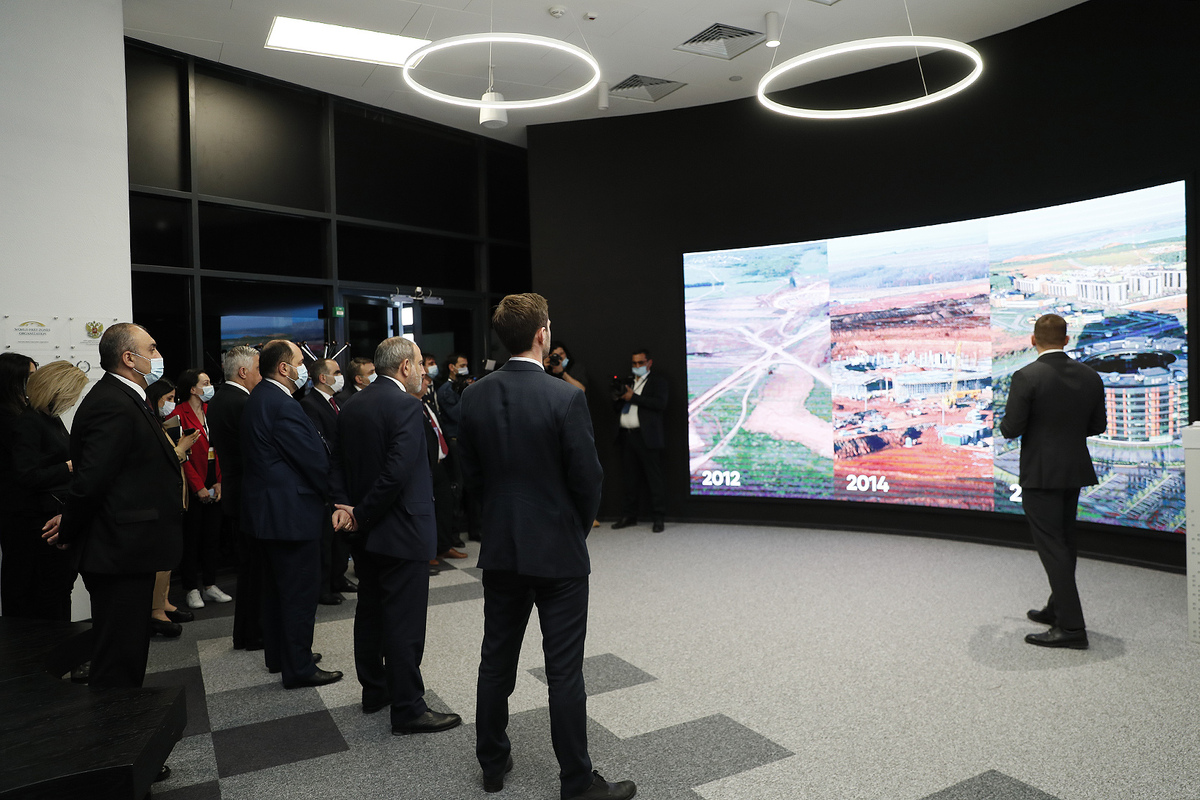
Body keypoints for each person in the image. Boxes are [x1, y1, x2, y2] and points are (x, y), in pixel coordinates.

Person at [459, 293, 634, 800]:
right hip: (558, 553)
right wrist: (573, 529)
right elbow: (589, 481)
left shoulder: (473, 396)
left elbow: (471, 478)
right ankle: (576, 783)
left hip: (501, 550)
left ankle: (492, 764)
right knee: (564, 673)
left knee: (495, 662)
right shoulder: (565, 397)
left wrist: (497, 522)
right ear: (542, 335)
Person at [43, 323, 185, 691]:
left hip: (129, 547)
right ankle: (112, 719)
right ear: (129, 358)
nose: (157, 356)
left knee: (128, 645)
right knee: (119, 652)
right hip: (118, 548)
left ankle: (123, 714)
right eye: (151, 349)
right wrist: (70, 527)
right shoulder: (112, 401)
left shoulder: (129, 397)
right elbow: (92, 480)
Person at [331, 336, 461, 734]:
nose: (423, 370)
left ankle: (375, 690)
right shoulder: (406, 405)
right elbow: (397, 472)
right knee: (404, 622)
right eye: (419, 363)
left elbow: (336, 464)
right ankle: (408, 709)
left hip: (365, 533)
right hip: (401, 530)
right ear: (405, 366)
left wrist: (347, 509)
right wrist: (362, 514)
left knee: (370, 611)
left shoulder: (352, 404)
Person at [999, 313, 1106, 650]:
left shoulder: (1026, 376)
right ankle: (1056, 608)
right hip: (1073, 470)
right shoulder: (1090, 375)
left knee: (1052, 547)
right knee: (1065, 541)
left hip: (1041, 473)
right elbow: (1098, 425)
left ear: (1033, 340)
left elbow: (1011, 428)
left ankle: (1072, 628)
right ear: (1066, 340)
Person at [241, 340, 343, 689]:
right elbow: (312, 459)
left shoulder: (260, 397)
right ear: (284, 368)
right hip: (291, 514)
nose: (305, 368)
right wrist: (335, 495)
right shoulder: (282, 404)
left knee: (276, 591)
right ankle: (299, 667)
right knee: (299, 592)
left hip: (270, 513)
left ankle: (281, 655)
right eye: (300, 361)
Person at [7, 361, 87, 621]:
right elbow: (25, 475)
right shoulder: (30, 422)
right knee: (48, 593)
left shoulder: (50, 419)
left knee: (60, 589)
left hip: (54, 516)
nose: (72, 401)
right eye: (71, 394)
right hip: (39, 523)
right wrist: (68, 467)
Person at [207, 345, 263, 651]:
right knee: (256, 572)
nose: (262, 375)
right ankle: (254, 634)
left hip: (237, 493)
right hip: (250, 496)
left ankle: (245, 634)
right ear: (243, 372)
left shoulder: (219, 399)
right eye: (258, 369)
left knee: (249, 571)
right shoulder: (243, 402)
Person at [169, 368, 228, 610]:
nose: (210, 386)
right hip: (193, 484)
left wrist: (219, 481)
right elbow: (180, 457)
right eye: (205, 383)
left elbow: (220, 447)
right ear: (192, 388)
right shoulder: (177, 415)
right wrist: (198, 487)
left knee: (212, 537)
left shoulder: (210, 411)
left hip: (214, 478)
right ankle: (191, 588)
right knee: (192, 539)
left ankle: (210, 584)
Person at [145, 378, 200, 638]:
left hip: (173, 499)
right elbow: (161, 462)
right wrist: (181, 448)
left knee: (168, 558)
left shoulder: (161, 423)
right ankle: (156, 610)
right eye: (168, 399)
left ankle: (163, 602)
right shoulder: (149, 424)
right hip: (159, 501)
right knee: (160, 558)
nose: (171, 404)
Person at [301, 358, 354, 604]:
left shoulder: (339, 401)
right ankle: (323, 587)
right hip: (326, 478)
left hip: (342, 476)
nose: (341, 376)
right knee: (327, 536)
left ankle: (338, 577)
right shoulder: (309, 404)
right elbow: (320, 441)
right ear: (323, 378)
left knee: (342, 534)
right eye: (337, 372)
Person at [612, 348, 669, 533]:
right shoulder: (628, 381)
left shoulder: (658, 382)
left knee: (654, 479)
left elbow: (660, 404)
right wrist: (619, 396)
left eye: (640, 363)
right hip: (626, 436)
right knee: (629, 479)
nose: (637, 366)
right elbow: (617, 406)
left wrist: (633, 397)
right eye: (634, 363)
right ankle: (629, 516)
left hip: (647, 437)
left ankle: (658, 518)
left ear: (649, 363)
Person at [0, 352, 37, 615]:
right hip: (16, 508)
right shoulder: (9, 418)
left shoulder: (24, 413)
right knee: (19, 576)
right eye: (30, 377)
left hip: (24, 506)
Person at [420, 366, 462, 562]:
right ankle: (428, 551)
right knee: (428, 510)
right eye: (424, 379)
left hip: (441, 462)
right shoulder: (410, 406)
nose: (428, 383)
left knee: (445, 505)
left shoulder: (427, 403)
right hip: (426, 466)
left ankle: (444, 546)